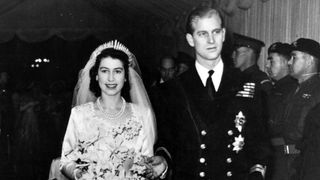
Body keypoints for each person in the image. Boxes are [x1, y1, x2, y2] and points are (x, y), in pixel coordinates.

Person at [150, 6, 271, 180]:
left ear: (223, 35)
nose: (211, 40)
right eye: (202, 34)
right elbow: (166, 142)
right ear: (190, 39)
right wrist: (163, 161)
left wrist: (257, 172)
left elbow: (260, 143)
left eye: (215, 32)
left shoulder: (247, 85)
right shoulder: (172, 90)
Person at [60, 40, 158, 180]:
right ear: (96, 75)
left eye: (117, 71)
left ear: (125, 77)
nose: (111, 78)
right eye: (104, 71)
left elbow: (147, 162)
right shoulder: (79, 114)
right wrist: (80, 175)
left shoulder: (143, 114)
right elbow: (65, 161)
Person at [280, 38, 320, 180]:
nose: (289, 62)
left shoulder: (317, 89)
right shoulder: (294, 89)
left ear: (309, 60)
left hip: (305, 162)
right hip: (286, 160)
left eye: (294, 57)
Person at [265, 42, 298, 180]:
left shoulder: (292, 89)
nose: (267, 66)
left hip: (284, 155)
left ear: (285, 63)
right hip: (272, 153)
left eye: (272, 61)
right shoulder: (275, 88)